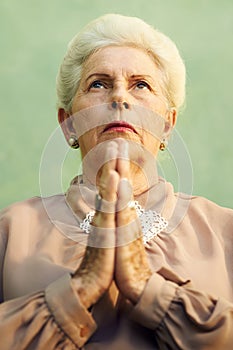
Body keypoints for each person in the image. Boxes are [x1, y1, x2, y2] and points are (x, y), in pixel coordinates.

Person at [0, 13, 232, 350]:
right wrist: (77, 291)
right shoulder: (10, 231)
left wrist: (149, 290)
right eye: (99, 83)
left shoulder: (224, 233)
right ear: (68, 125)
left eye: (141, 85)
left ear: (167, 125)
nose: (119, 98)